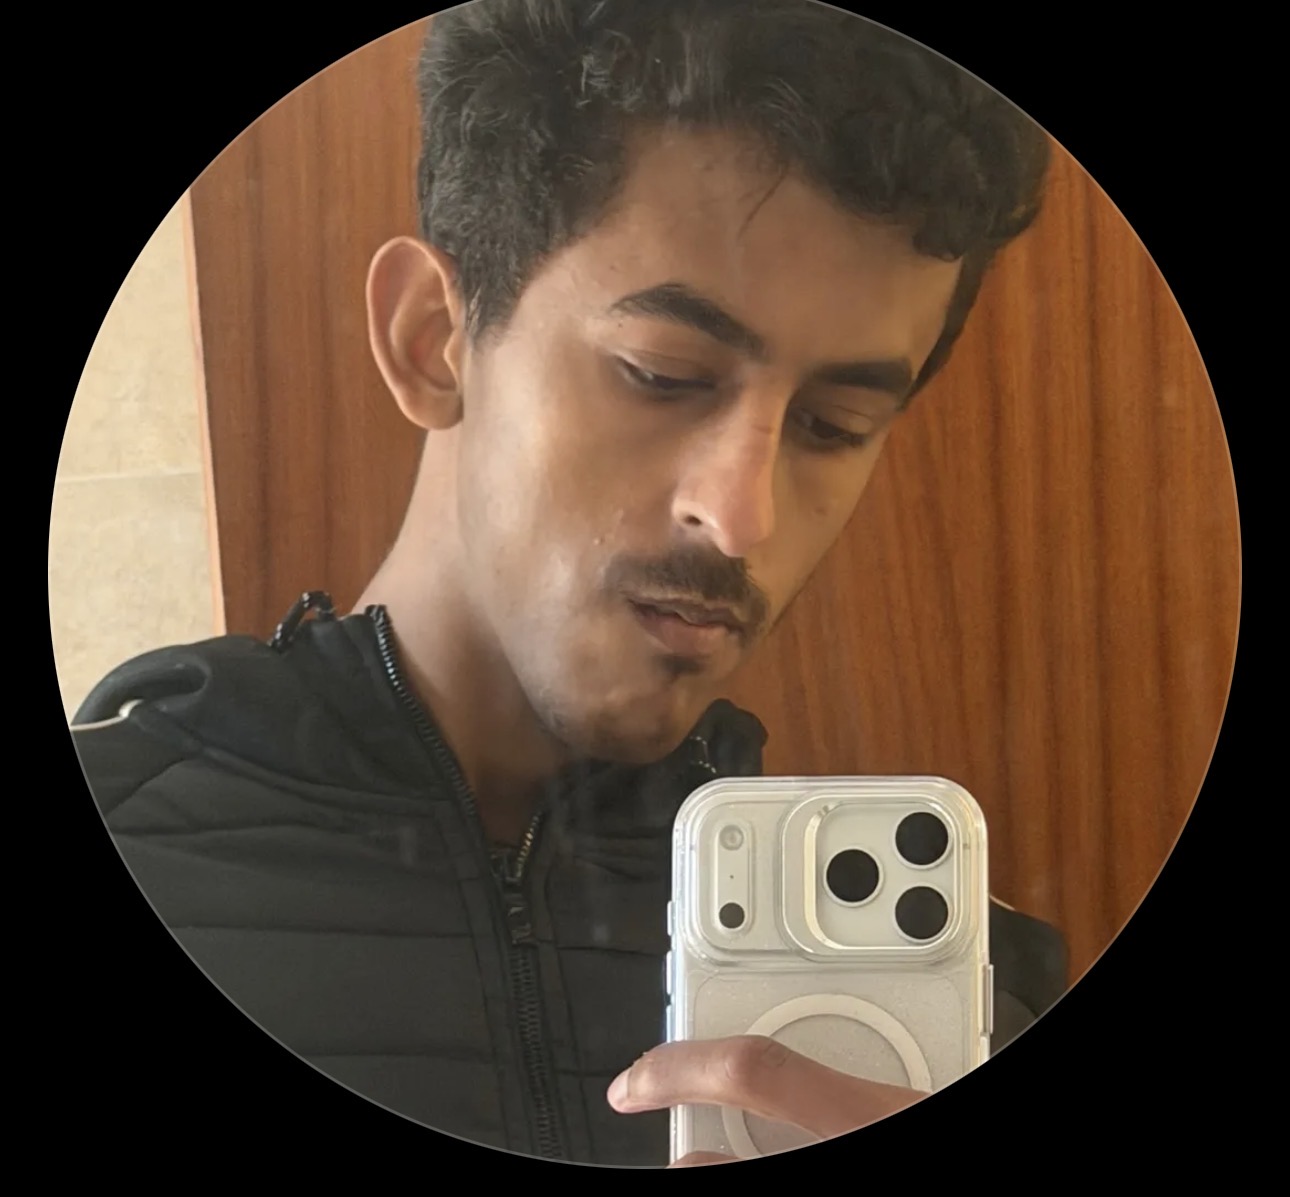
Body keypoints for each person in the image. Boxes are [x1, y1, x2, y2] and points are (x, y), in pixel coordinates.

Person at [71, 0, 1066, 1167]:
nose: (741, 515)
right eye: (662, 374)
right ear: (434, 339)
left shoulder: (970, 995)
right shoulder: (139, 843)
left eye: (834, 425)